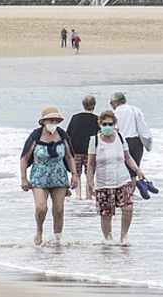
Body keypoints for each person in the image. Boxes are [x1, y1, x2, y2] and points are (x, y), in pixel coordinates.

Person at [87, 109, 147, 244]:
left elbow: (127, 157)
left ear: (115, 124)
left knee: (128, 207)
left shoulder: (120, 137)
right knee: (106, 214)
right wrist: (90, 182)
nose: (107, 127)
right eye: (104, 124)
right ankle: (108, 240)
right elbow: (90, 164)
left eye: (110, 124)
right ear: (100, 124)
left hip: (122, 178)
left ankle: (123, 237)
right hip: (103, 182)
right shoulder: (94, 141)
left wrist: (137, 170)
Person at [20, 106, 76, 246]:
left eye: (56, 120)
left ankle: (57, 238)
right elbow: (24, 158)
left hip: (59, 176)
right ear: (43, 122)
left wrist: (74, 175)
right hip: (39, 176)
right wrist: (23, 178)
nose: (53, 123)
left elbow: (69, 157)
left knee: (58, 209)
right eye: (51, 120)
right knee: (41, 208)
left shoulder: (62, 136)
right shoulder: (35, 137)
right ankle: (39, 230)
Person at [66, 96, 101, 199]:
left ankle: (78, 196)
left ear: (83, 104)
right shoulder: (96, 119)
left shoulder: (75, 118)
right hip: (91, 151)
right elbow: (99, 135)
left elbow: (68, 134)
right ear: (94, 105)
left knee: (76, 173)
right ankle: (88, 196)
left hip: (76, 150)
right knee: (89, 174)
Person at [110, 91, 153, 168]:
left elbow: (113, 130)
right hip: (136, 142)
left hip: (121, 142)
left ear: (116, 102)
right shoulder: (134, 110)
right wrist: (148, 143)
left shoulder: (113, 114)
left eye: (111, 103)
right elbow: (142, 127)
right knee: (134, 170)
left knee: (122, 170)